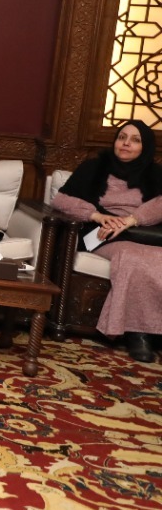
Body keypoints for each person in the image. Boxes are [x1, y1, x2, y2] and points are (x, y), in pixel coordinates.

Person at [51, 120, 162, 363]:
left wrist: (131, 220)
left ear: (145, 147)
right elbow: (61, 200)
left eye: (135, 140)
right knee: (130, 257)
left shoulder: (155, 173)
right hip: (100, 234)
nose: (126, 144)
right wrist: (97, 216)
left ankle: (155, 331)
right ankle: (138, 335)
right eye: (122, 137)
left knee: (156, 259)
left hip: (139, 234)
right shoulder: (93, 167)